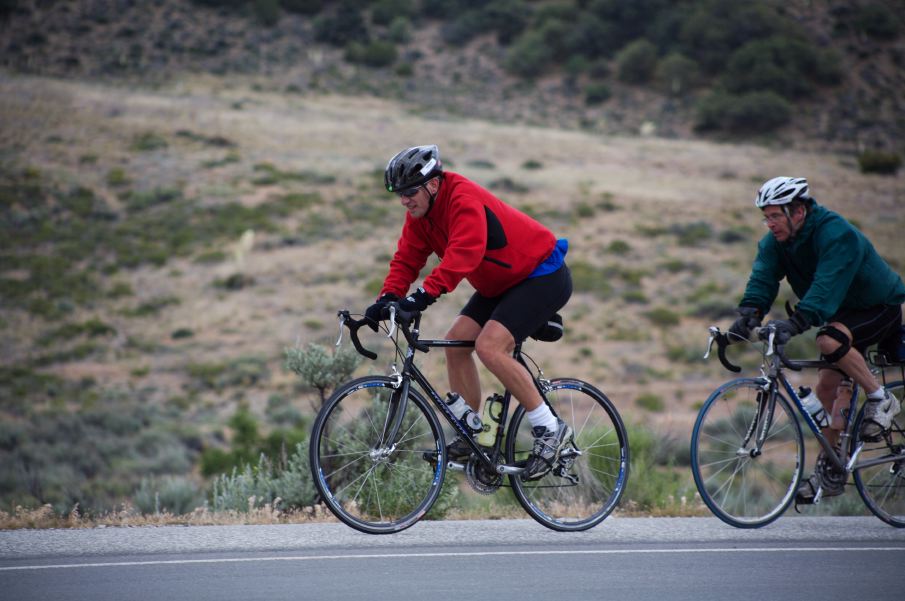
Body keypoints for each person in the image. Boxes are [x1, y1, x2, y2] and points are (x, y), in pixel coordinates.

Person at [364, 144, 573, 481]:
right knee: (457, 343)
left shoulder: (463, 199)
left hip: (541, 274)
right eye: (399, 194)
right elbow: (407, 259)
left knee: (489, 347)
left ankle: (550, 430)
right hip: (500, 284)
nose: (404, 200)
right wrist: (387, 297)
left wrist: (420, 298)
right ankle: (473, 435)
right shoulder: (420, 216)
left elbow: (464, 256)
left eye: (410, 192)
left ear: (433, 184)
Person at [728, 176, 905, 503]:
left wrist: (795, 324)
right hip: (842, 315)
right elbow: (763, 277)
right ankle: (831, 468)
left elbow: (825, 287)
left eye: (775, 216)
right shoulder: (775, 242)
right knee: (826, 389)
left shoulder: (835, 234)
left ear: (798, 211)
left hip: (879, 307)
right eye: (765, 217)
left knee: (827, 340)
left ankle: (881, 399)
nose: (770, 224)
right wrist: (748, 316)